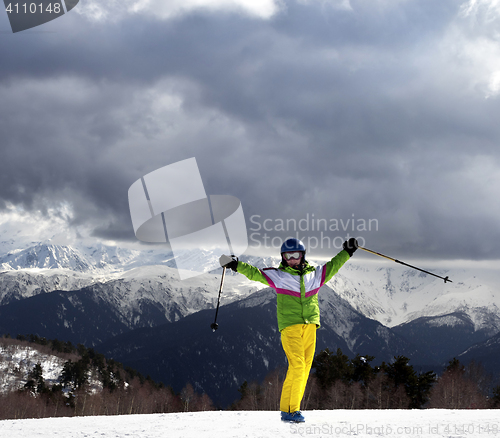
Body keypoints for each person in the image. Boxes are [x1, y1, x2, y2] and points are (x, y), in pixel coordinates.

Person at [220, 236, 358, 423]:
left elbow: (333, 265)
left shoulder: (315, 275)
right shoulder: (279, 276)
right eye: (288, 255)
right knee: (297, 365)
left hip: (310, 325)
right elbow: (255, 273)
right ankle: (289, 411)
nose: (292, 259)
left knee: (305, 369)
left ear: (303, 255)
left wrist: (347, 251)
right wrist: (235, 265)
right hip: (290, 326)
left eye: (296, 255)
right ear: (283, 257)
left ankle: (293, 409)